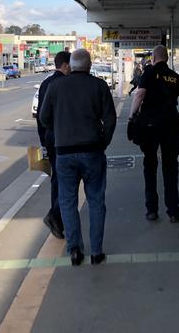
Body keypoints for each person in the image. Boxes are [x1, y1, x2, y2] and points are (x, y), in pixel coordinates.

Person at [39, 48, 117, 266]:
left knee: (67, 202)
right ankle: (97, 252)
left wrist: (61, 129)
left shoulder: (55, 87)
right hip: (93, 151)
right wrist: (103, 142)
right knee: (96, 201)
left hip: (64, 153)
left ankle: (74, 251)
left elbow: (44, 118)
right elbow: (110, 119)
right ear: (89, 66)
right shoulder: (99, 86)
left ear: (71, 66)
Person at [129, 45, 179, 223]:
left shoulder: (149, 73)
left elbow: (139, 94)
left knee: (150, 167)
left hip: (149, 127)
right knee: (170, 169)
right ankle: (173, 211)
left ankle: (151, 210)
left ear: (153, 57)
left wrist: (131, 116)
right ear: (166, 58)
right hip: (170, 128)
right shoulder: (174, 77)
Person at [36, 51, 71, 239]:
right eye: (70, 65)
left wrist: (43, 140)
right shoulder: (65, 83)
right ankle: (56, 216)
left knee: (56, 178)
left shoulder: (45, 84)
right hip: (64, 138)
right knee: (67, 178)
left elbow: (40, 117)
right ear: (65, 65)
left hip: (50, 138)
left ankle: (56, 218)